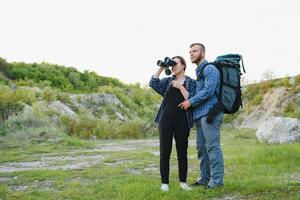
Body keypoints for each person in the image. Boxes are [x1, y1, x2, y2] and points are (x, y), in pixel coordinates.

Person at [179, 43, 224, 189]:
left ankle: (217, 181)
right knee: (201, 149)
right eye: (190, 52)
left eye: (194, 51)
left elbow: (209, 91)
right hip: (199, 116)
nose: (191, 54)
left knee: (212, 147)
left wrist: (190, 102)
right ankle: (204, 179)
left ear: (202, 53)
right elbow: (199, 93)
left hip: (210, 114)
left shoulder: (210, 68)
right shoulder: (199, 72)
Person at [149, 56, 196, 192]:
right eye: (172, 65)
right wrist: (162, 67)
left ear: (183, 66)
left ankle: (183, 182)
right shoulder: (168, 81)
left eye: (175, 64)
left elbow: (192, 99)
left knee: (182, 152)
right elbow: (153, 83)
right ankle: (164, 183)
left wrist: (180, 86)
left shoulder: (191, 82)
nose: (173, 66)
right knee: (165, 152)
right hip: (165, 120)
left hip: (183, 121)